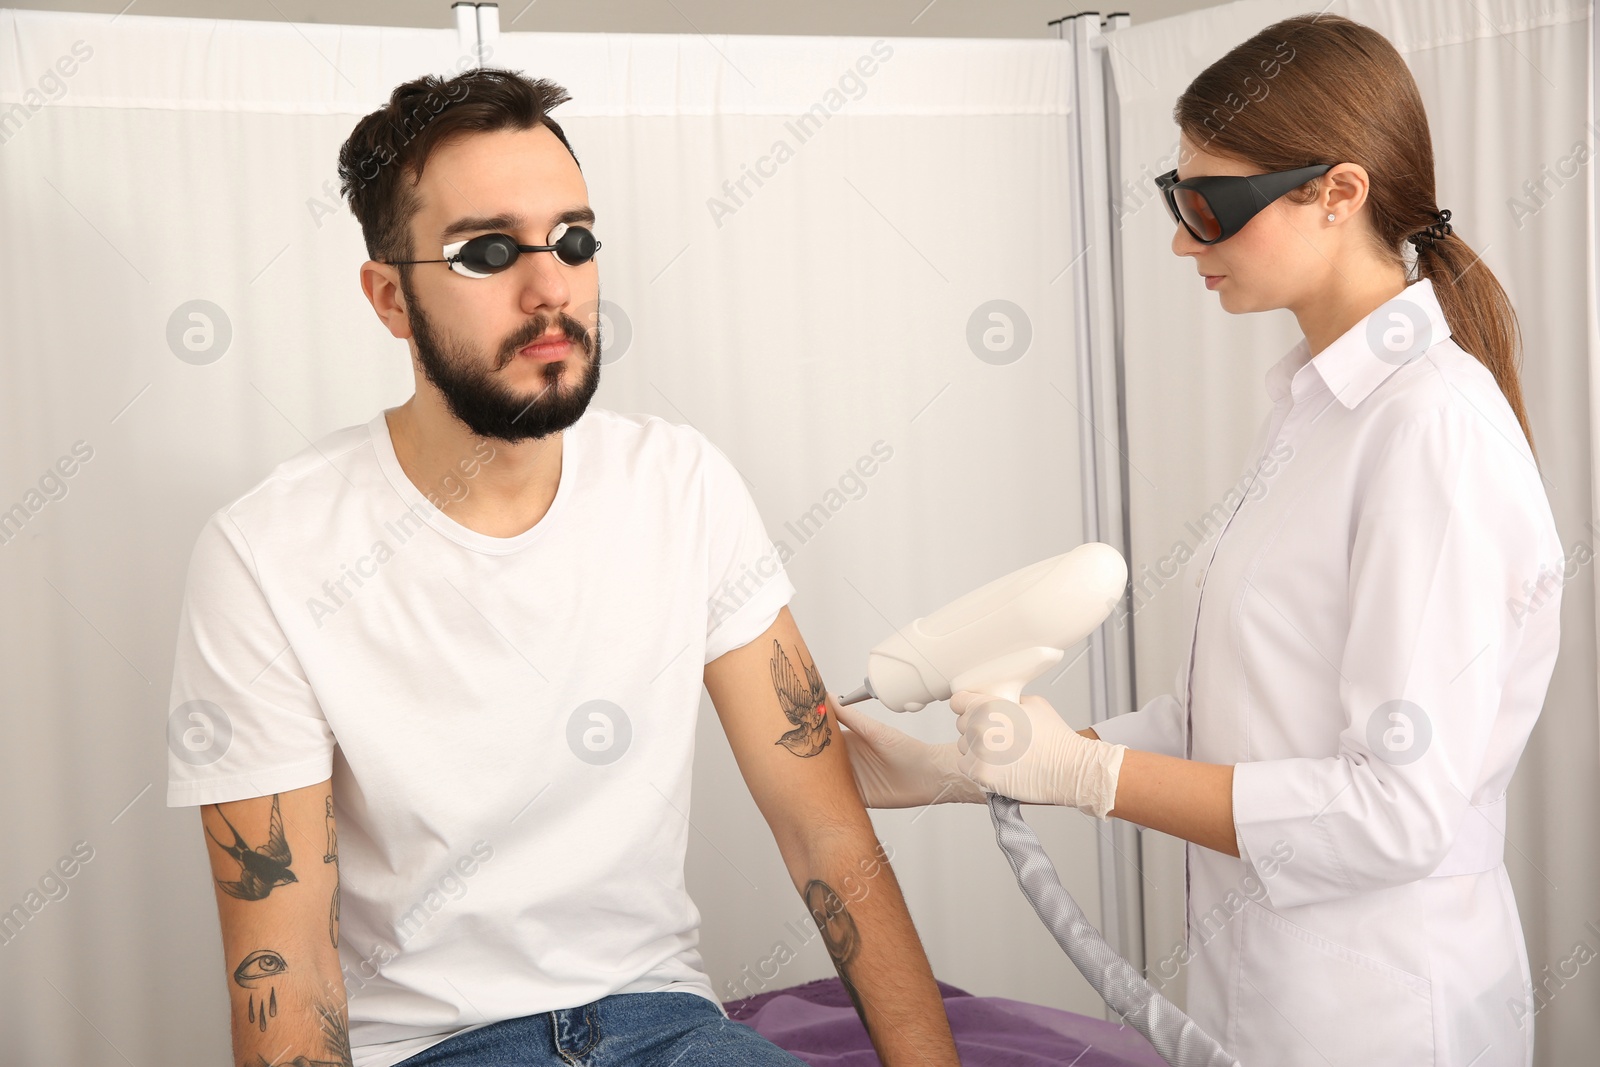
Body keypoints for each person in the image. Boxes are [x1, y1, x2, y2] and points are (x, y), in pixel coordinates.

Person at [165, 67, 960, 1067]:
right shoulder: (268, 551)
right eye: (486, 251)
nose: (549, 287)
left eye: (572, 240)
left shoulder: (682, 483)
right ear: (390, 298)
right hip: (434, 1046)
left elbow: (829, 837)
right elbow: (285, 966)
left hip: (666, 1026)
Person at [836, 14, 1559, 1067]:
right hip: (1265, 999)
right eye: (1177, 201)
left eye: (1211, 205)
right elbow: (1233, 718)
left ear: (1337, 192)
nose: (1182, 239)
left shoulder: (1427, 431)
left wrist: (1091, 779)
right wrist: (970, 768)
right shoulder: (1315, 412)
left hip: (1384, 1016)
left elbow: (1395, 808)